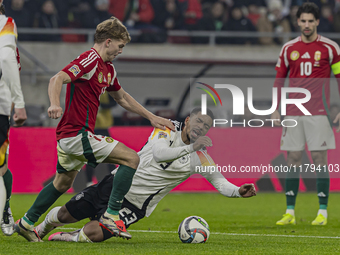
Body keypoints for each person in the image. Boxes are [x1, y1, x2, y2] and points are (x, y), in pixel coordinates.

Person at [14, 16, 175, 242]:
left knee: (62, 183)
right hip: (76, 134)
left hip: (70, 137)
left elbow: (121, 97)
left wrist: (150, 117)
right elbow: (57, 78)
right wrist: (54, 103)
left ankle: (26, 222)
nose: (121, 51)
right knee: (131, 158)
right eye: (120, 46)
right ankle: (110, 215)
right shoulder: (89, 59)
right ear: (108, 41)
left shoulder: (108, 69)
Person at [33, 108, 256, 243]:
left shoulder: (201, 157)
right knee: (63, 215)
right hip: (115, 184)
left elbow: (220, 182)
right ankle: (41, 229)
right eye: (198, 121)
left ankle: (71, 236)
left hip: (136, 205)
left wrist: (238, 191)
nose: (201, 127)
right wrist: (191, 147)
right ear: (188, 120)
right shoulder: (166, 128)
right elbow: (160, 155)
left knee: (93, 233)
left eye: (206, 126)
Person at [271, 3, 340, 226]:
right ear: (297, 22)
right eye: (304, 21)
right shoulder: (288, 48)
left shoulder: (331, 48)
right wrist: (275, 109)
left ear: (318, 22)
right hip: (292, 112)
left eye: (311, 21)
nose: (307, 25)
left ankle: (322, 212)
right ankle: (289, 212)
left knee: (319, 159)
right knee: (292, 159)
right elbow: (279, 80)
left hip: (319, 113)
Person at [0, 1, 27, 236]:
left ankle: (5, 207)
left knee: (1, 166)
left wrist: (16, 104)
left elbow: (10, 63)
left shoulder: (6, 26)